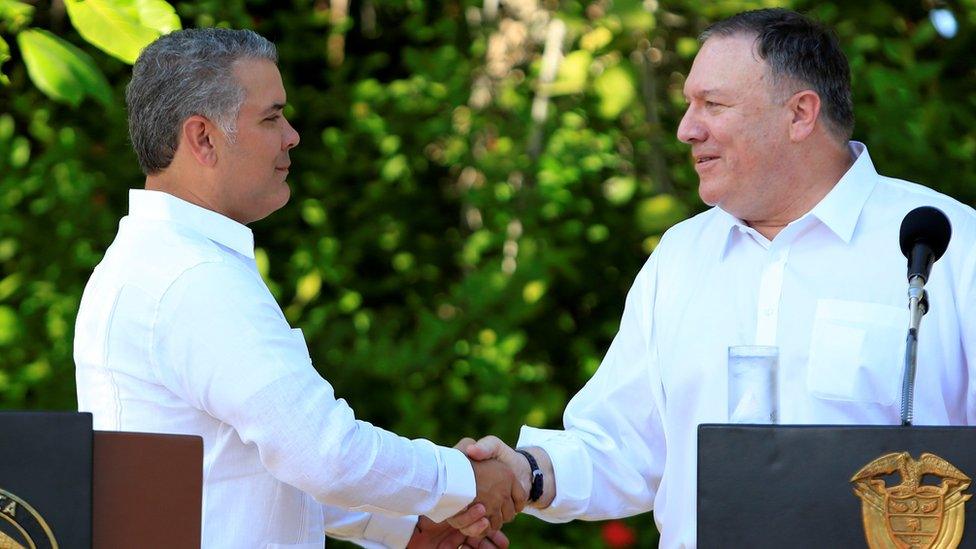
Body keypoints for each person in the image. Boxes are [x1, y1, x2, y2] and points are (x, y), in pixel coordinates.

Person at [458, 8, 976, 548]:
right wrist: (523, 472)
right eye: (688, 104)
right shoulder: (680, 256)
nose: (687, 128)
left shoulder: (953, 247)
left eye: (713, 105)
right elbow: (621, 445)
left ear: (800, 114)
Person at [73, 28, 524, 548]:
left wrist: (409, 526)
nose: (292, 136)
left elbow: (258, 464)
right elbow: (322, 453)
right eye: (271, 117)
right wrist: (466, 481)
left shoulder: (158, 261)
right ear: (202, 138)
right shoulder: (192, 278)